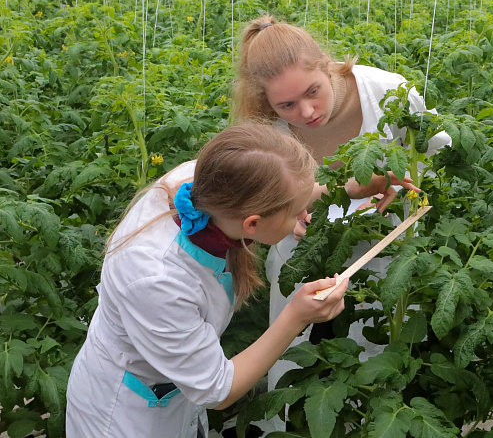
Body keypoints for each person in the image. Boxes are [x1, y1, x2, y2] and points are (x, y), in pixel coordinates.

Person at [65, 124, 349, 437]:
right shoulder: (157, 279)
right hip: (127, 419)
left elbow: (287, 194)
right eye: (297, 213)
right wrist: (295, 317)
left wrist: (351, 187)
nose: (302, 217)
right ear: (252, 223)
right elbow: (218, 390)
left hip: (173, 395)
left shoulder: (209, 184)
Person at [233, 15, 452, 396]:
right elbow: (257, 207)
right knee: (293, 360)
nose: (306, 112)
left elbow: (440, 161)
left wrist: (410, 187)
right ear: (265, 101)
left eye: (313, 91)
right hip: (303, 254)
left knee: (379, 358)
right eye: (287, 104)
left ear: (325, 63)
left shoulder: (389, 93)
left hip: (388, 250)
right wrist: (287, 216)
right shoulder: (266, 130)